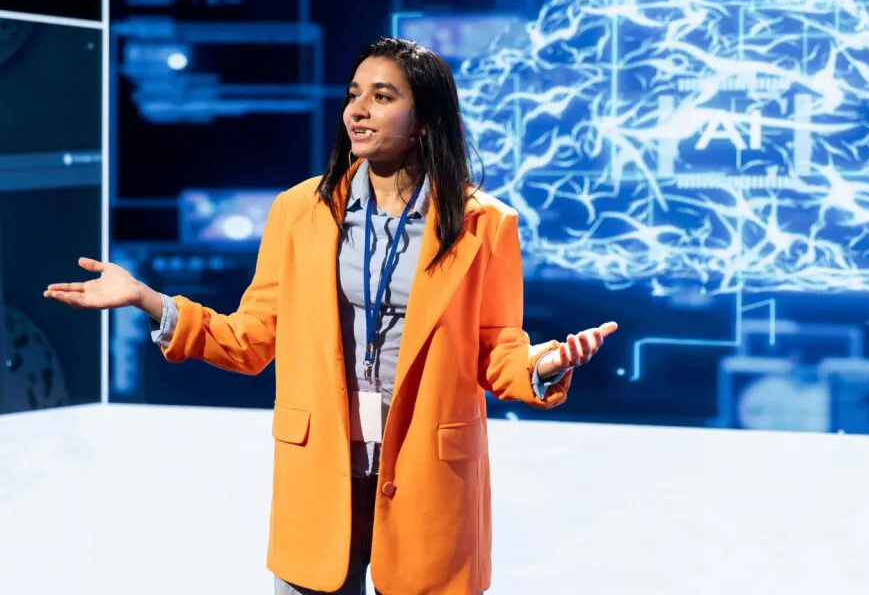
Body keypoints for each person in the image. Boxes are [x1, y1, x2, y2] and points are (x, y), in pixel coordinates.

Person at [45, 37, 618, 595]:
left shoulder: (485, 224)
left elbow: (495, 347)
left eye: (382, 96)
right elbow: (251, 337)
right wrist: (150, 300)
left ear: (425, 119)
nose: (357, 111)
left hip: (429, 474)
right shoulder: (300, 210)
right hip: (321, 467)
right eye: (353, 94)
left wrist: (544, 365)